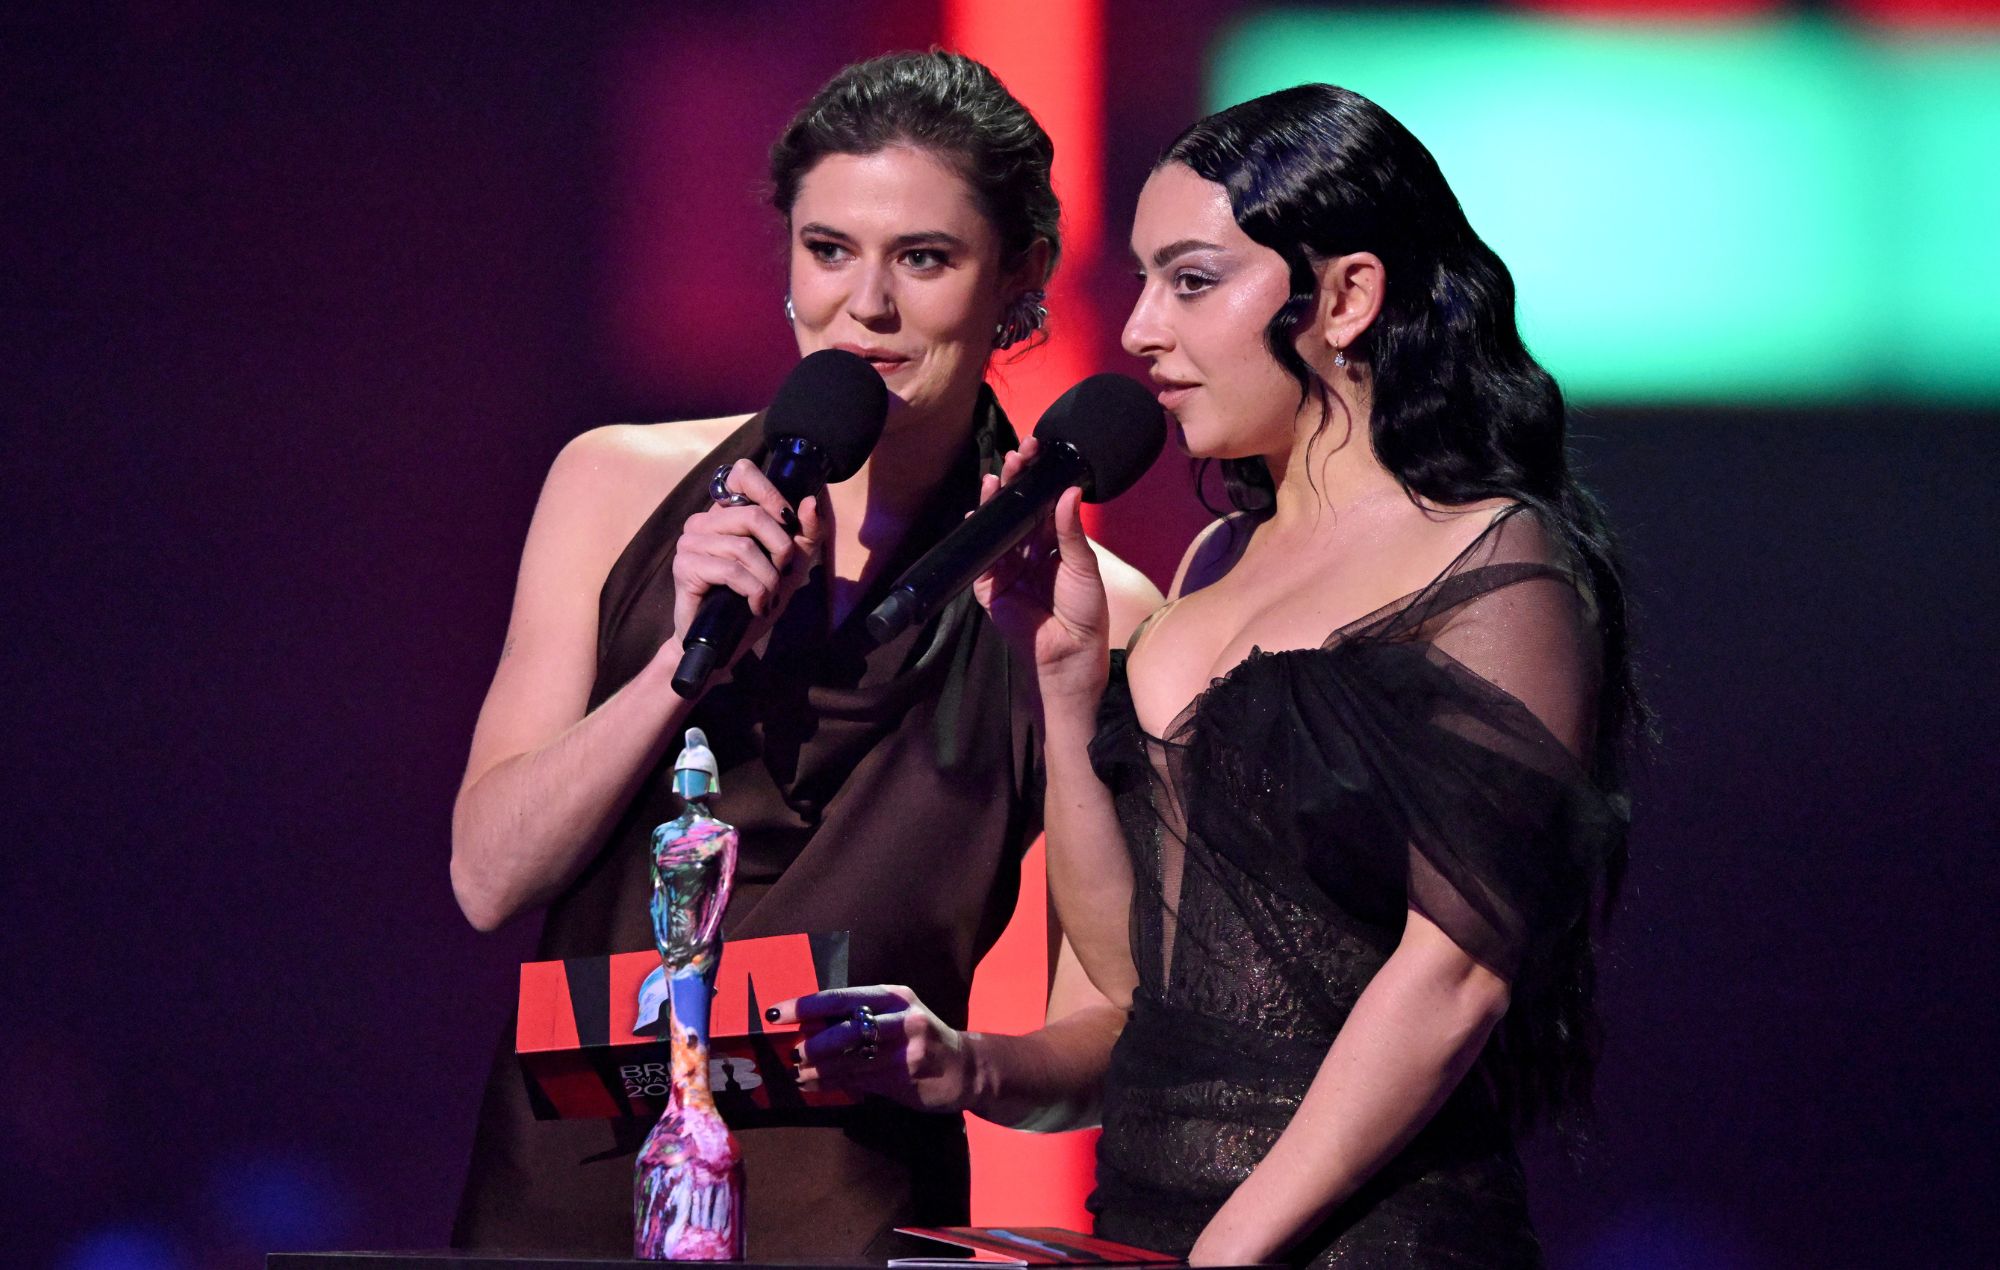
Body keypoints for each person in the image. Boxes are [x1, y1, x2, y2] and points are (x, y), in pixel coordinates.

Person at [447, 51, 1159, 1258]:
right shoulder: (612, 485)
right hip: (565, 1199)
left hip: (850, 1214)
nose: (863, 305)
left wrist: (967, 1060)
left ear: (1017, 278)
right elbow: (485, 878)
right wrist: (683, 661)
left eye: (921, 259)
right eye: (828, 250)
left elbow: (1110, 1034)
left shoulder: (1092, 612)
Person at [968, 84, 1643, 1267]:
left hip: (1362, 1235)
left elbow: (1453, 974)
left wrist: (1234, 1249)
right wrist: (1067, 683)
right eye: (1140, 279)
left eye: (1188, 280)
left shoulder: (1489, 560)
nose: (1134, 330)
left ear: (1344, 296)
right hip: (1144, 1217)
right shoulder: (1212, 560)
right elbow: (1134, 972)